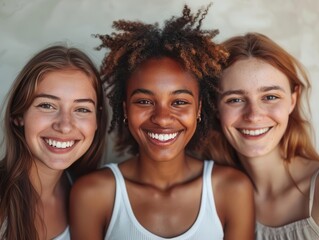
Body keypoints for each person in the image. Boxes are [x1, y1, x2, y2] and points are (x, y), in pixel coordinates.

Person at [70, 5, 255, 240]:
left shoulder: (232, 190)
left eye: (179, 102)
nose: (162, 118)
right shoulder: (93, 194)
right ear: (125, 109)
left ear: (198, 109)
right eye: (145, 101)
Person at [203, 32, 319, 239]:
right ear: (215, 108)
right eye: (235, 99)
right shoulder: (209, 195)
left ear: (293, 100)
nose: (254, 115)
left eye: (270, 97)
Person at [0, 45, 107, 240]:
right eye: (47, 106)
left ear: (97, 121)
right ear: (18, 115)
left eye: (82, 109)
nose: (65, 126)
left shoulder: (89, 193)